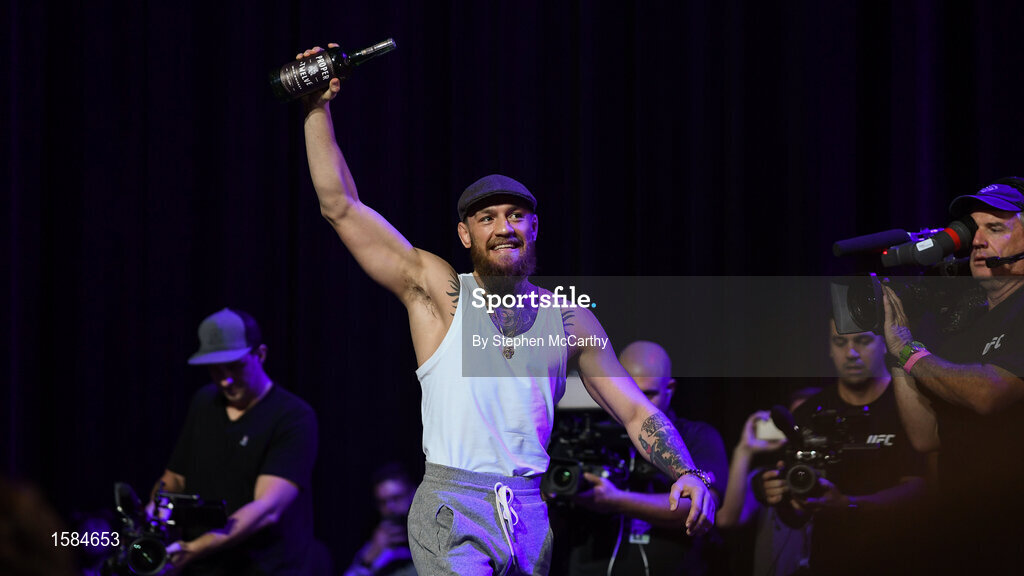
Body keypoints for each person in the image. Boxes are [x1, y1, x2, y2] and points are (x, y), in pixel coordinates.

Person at [297, 44, 715, 576]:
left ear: (534, 228)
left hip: (530, 512)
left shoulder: (567, 318)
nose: (504, 227)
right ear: (465, 234)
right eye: (488, 217)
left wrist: (687, 471)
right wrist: (316, 108)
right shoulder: (438, 293)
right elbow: (341, 207)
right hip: (454, 505)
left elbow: (635, 411)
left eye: (516, 215)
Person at [884, 177, 1024, 571]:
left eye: (995, 229)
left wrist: (909, 350)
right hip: (967, 534)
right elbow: (925, 436)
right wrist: (896, 352)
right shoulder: (965, 321)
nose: (977, 241)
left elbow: (989, 395)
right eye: (972, 231)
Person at [150, 308, 318, 575]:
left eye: (235, 366)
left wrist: (195, 548)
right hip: (204, 565)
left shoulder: (293, 417)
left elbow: (266, 508)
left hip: (263, 568)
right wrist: (155, 515)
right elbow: (176, 477)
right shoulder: (205, 401)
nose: (225, 379)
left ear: (260, 354)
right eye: (215, 370)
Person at [756, 322, 925, 576]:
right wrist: (778, 492)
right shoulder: (808, 413)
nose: (851, 352)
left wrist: (850, 505)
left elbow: (924, 489)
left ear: (883, 344)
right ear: (828, 348)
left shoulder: (910, 405)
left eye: (863, 341)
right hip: (829, 561)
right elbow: (795, 516)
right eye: (840, 342)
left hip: (901, 559)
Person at [562, 341, 729, 576]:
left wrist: (616, 500)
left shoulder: (698, 436)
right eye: (631, 393)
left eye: (649, 394)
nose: (638, 403)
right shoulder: (589, 433)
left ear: (670, 388)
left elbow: (696, 506)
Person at [716, 388, 819, 576]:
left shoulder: (840, 477)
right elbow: (726, 520)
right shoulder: (768, 479)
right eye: (794, 423)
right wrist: (744, 450)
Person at [343, 463, 419, 576]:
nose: (390, 507)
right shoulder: (376, 546)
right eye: (383, 502)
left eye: (396, 498)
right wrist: (371, 556)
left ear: (413, 493)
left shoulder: (431, 534)